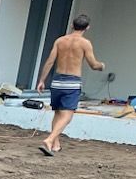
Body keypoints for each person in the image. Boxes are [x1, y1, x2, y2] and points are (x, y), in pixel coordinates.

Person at [35, 14, 106, 156]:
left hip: (57, 81)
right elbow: (93, 64)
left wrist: (42, 80)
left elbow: (50, 61)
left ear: (72, 25)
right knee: (67, 116)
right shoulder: (85, 43)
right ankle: (49, 140)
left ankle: (55, 145)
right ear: (87, 28)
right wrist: (101, 66)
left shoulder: (60, 41)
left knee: (58, 112)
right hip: (72, 82)